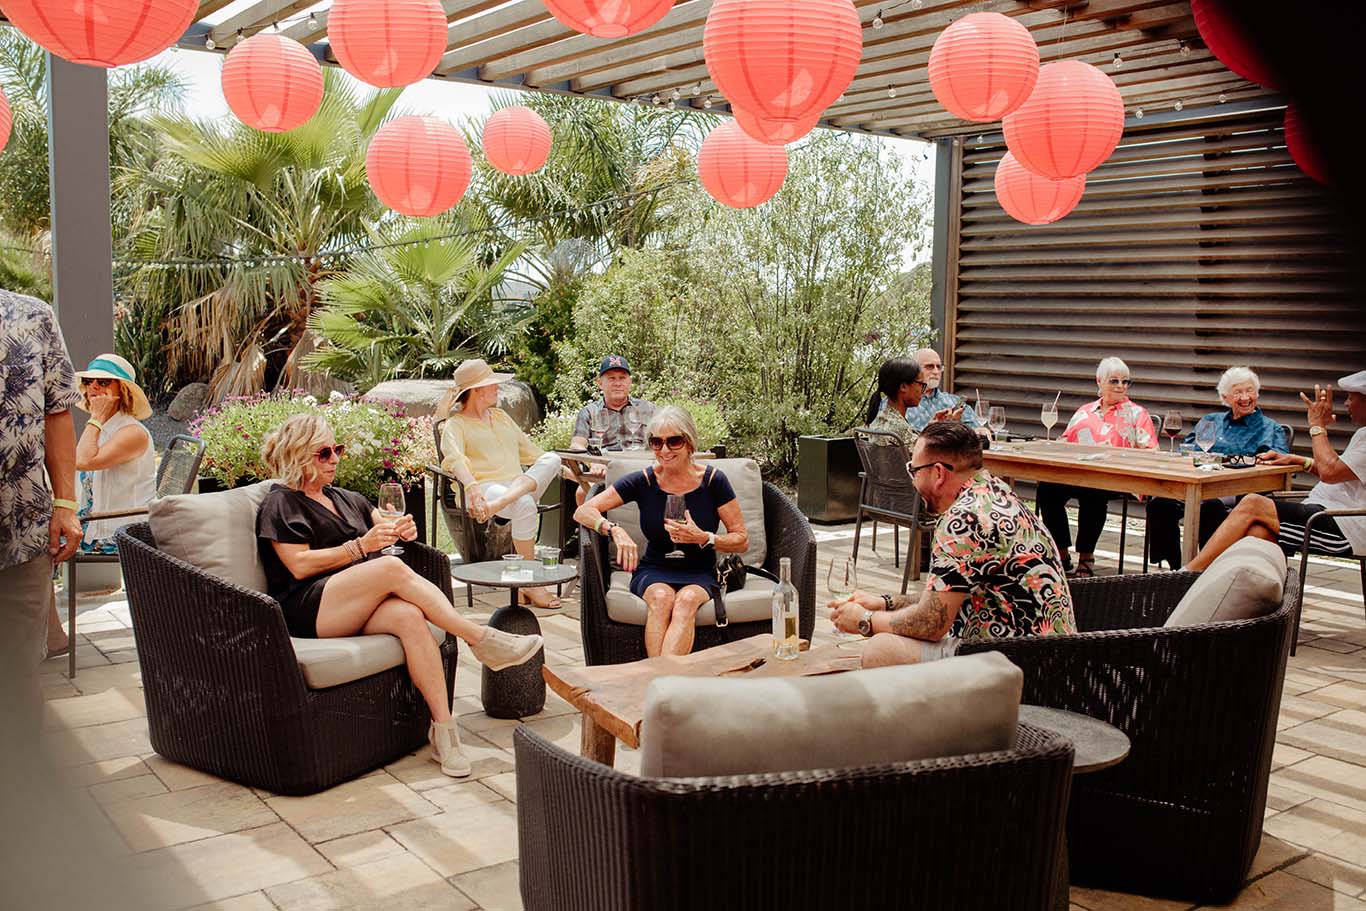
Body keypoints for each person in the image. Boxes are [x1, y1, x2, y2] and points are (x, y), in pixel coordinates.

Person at [256, 413, 544, 778]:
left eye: (337, 449)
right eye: (324, 453)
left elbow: (384, 523)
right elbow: (298, 565)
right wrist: (360, 548)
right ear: (298, 455)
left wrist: (401, 529)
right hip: (310, 607)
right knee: (390, 570)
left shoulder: (346, 498)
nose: (335, 459)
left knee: (409, 618)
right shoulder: (281, 503)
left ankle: (444, 733)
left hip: (356, 603)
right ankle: (480, 638)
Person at [829, 421, 1074, 666]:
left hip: (1016, 665)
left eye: (914, 471)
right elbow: (947, 597)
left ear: (938, 473)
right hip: (1049, 656)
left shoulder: (963, 520)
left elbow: (931, 623)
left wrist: (866, 620)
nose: (913, 481)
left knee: (881, 650)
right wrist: (886, 603)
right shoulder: (995, 491)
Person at [574, 405, 748, 658]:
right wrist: (615, 530)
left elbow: (741, 540)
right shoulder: (644, 480)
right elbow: (583, 511)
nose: (664, 450)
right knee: (660, 597)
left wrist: (704, 538)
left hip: (700, 568)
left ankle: (657, 682)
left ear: (689, 443)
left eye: (673, 441)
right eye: (656, 443)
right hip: (654, 567)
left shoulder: (713, 481)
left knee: (686, 601)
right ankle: (663, 683)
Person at [0, 289, 82, 730]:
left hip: (22, 535)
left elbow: (57, 412)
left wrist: (66, 503)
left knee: (19, 674)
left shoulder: (32, 316)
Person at [1187, 374, 1366, 572]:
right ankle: (1228, 588)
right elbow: (1341, 472)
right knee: (1258, 531)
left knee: (1252, 503)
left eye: (1351, 397)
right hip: (1323, 513)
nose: (1346, 404)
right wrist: (1299, 460)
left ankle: (1190, 574)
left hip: (1345, 527)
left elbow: (1330, 471)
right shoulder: (1362, 434)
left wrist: (1317, 427)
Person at [438, 358, 564, 608]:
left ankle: (503, 504)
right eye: (492, 384)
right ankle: (531, 585)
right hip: (487, 488)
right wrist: (472, 486)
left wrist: (573, 475)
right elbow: (454, 459)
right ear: (477, 391)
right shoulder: (456, 425)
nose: (497, 387)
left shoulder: (501, 417)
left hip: (509, 491)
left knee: (553, 457)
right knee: (525, 504)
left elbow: (533, 453)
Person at [1146, 366, 1290, 569]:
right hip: (1197, 483)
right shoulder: (1210, 420)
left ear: (1257, 394)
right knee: (1160, 503)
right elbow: (1187, 451)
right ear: (1225, 397)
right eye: (1238, 392)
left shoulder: (1269, 428)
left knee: (1211, 507)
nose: (1245, 397)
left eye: (1249, 390)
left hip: (1235, 491)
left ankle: (1205, 568)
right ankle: (1176, 567)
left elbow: (1278, 462)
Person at [1036, 357, 1158, 577]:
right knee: (1047, 488)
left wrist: (1116, 453)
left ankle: (1086, 556)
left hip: (1115, 477)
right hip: (1079, 473)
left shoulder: (1137, 413)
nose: (1121, 386)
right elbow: (1064, 442)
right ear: (1099, 382)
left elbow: (1151, 452)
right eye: (1114, 381)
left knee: (1093, 491)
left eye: (1125, 381)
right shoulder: (1084, 411)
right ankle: (1061, 555)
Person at [567, 354, 657, 506]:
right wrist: (594, 461)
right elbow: (576, 445)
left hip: (641, 468)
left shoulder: (648, 409)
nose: (617, 383)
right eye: (611, 378)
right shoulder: (589, 412)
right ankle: (593, 529)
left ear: (630, 382)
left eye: (622, 378)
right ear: (600, 383)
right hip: (605, 471)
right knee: (582, 493)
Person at [902, 348, 986, 434]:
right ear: (913, 370)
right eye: (929, 367)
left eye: (939, 367)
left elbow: (975, 428)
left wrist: (981, 431)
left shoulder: (954, 401)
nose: (936, 371)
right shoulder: (902, 402)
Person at [862, 357, 926, 449]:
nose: (923, 391)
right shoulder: (899, 429)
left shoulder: (881, 418)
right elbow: (926, 455)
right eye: (921, 384)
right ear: (903, 387)